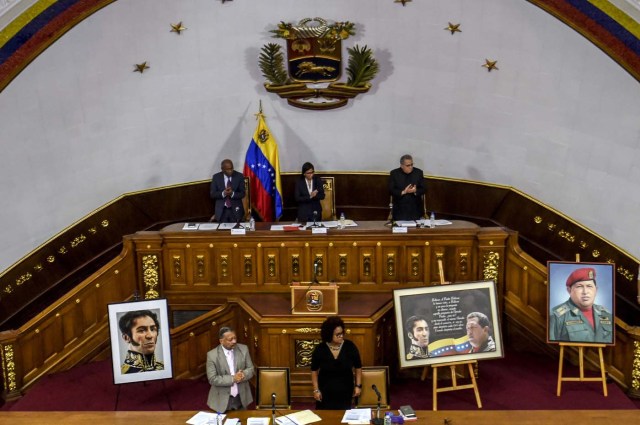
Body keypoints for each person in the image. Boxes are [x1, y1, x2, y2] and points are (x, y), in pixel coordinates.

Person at [549, 267, 613, 343]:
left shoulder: (606, 314)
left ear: (596, 290)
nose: (585, 292)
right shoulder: (556, 315)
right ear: (569, 290)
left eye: (589, 286)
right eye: (579, 286)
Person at [311, 316, 362, 410]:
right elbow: (314, 371)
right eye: (338, 334)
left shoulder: (350, 346)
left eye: (342, 333)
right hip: (325, 392)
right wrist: (316, 390)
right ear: (329, 334)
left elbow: (358, 367)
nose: (341, 336)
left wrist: (358, 386)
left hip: (345, 390)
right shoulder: (320, 349)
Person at [206, 326, 255, 412]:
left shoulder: (243, 349)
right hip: (221, 399)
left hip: (241, 397)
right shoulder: (212, 355)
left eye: (235, 338)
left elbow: (251, 369)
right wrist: (233, 378)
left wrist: (243, 374)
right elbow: (212, 379)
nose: (234, 341)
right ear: (221, 341)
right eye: (230, 339)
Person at [388, 154, 426, 221]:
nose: (411, 167)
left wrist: (415, 191)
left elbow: (424, 188)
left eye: (412, 164)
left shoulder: (418, 173)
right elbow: (390, 190)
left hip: (415, 207)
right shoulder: (394, 173)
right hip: (400, 208)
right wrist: (403, 192)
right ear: (402, 165)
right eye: (408, 165)